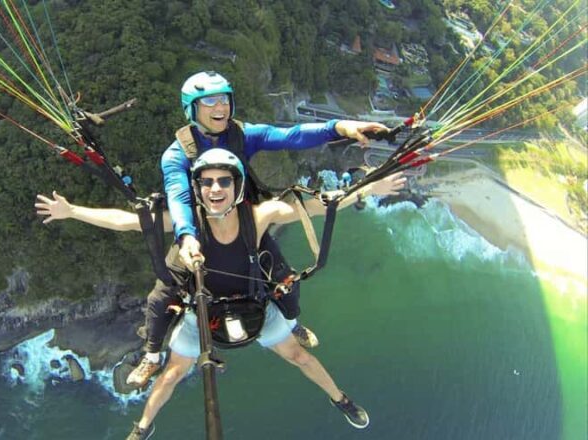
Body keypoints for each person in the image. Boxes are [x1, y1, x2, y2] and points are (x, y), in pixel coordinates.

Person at [35, 149, 406, 439]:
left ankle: (340, 398)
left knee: (300, 357)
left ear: (237, 186)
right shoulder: (188, 224)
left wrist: (367, 189)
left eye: (224, 182)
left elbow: (314, 207)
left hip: (255, 306)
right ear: (197, 188)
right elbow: (129, 222)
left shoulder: (257, 217)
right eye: (207, 182)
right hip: (203, 312)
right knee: (172, 373)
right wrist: (72, 212)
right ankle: (144, 426)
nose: (215, 189)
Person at [127, 70, 391, 388]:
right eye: (208, 100)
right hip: (199, 230)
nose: (219, 106)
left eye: (224, 99)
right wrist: (186, 236)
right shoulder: (177, 154)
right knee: (160, 298)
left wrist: (342, 127)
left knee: (287, 281)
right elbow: (179, 195)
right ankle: (152, 355)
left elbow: (291, 136)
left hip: (247, 225)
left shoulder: (241, 135)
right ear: (192, 108)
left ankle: (291, 325)